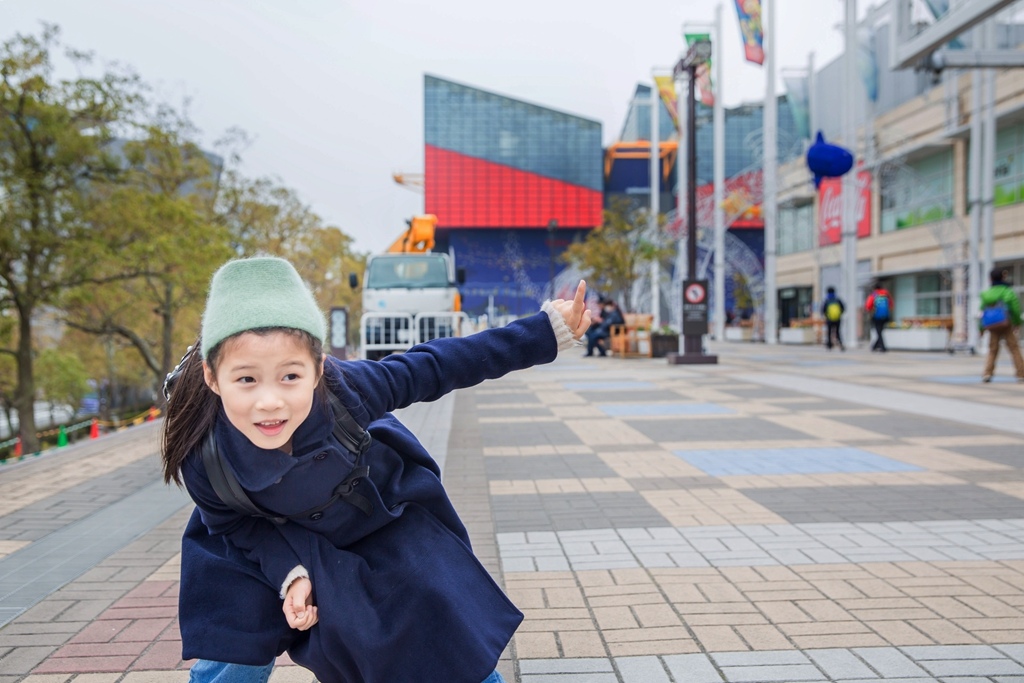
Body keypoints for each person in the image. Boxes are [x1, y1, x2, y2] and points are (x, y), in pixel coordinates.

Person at [161, 256, 591, 683]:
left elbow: (436, 365)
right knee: (236, 635)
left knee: (431, 610)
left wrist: (544, 332)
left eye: (290, 376)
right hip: (262, 530)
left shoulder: (347, 391)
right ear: (213, 378)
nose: (269, 401)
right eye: (246, 380)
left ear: (318, 370)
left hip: (370, 513)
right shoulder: (204, 453)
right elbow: (236, 529)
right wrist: (290, 575)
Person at [979, 267, 1024, 383]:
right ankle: (1021, 373)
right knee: (1014, 348)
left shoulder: (986, 293)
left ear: (990, 279)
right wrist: (1017, 322)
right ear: (1003, 277)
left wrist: (981, 327)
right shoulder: (1008, 291)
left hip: (992, 325)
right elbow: (1015, 309)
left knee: (992, 349)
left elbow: (982, 312)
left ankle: (987, 373)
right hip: (1006, 324)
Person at [865, 282, 892, 352]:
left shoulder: (874, 295)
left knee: (878, 332)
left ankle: (883, 347)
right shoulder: (886, 294)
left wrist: (870, 311)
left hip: (876, 316)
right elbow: (891, 304)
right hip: (885, 316)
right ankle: (874, 346)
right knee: (880, 331)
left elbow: (868, 306)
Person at [821, 286, 845, 351]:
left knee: (829, 332)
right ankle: (840, 343)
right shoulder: (837, 300)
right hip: (837, 319)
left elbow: (823, 310)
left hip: (829, 319)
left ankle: (829, 345)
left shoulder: (827, 300)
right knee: (837, 332)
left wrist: (826, 315)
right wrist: (839, 314)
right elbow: (843, 308)